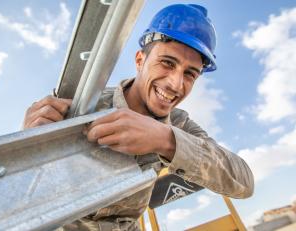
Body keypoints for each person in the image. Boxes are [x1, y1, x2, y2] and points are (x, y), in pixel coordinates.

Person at [23, 4, 254, 231]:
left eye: (190, 74)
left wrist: (166, 141)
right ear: (140, 60)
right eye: (167, 63)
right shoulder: (83, 104)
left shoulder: (179, 125)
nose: (176, 83)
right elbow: (29, 188)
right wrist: (28, 146)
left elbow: (243, 183)